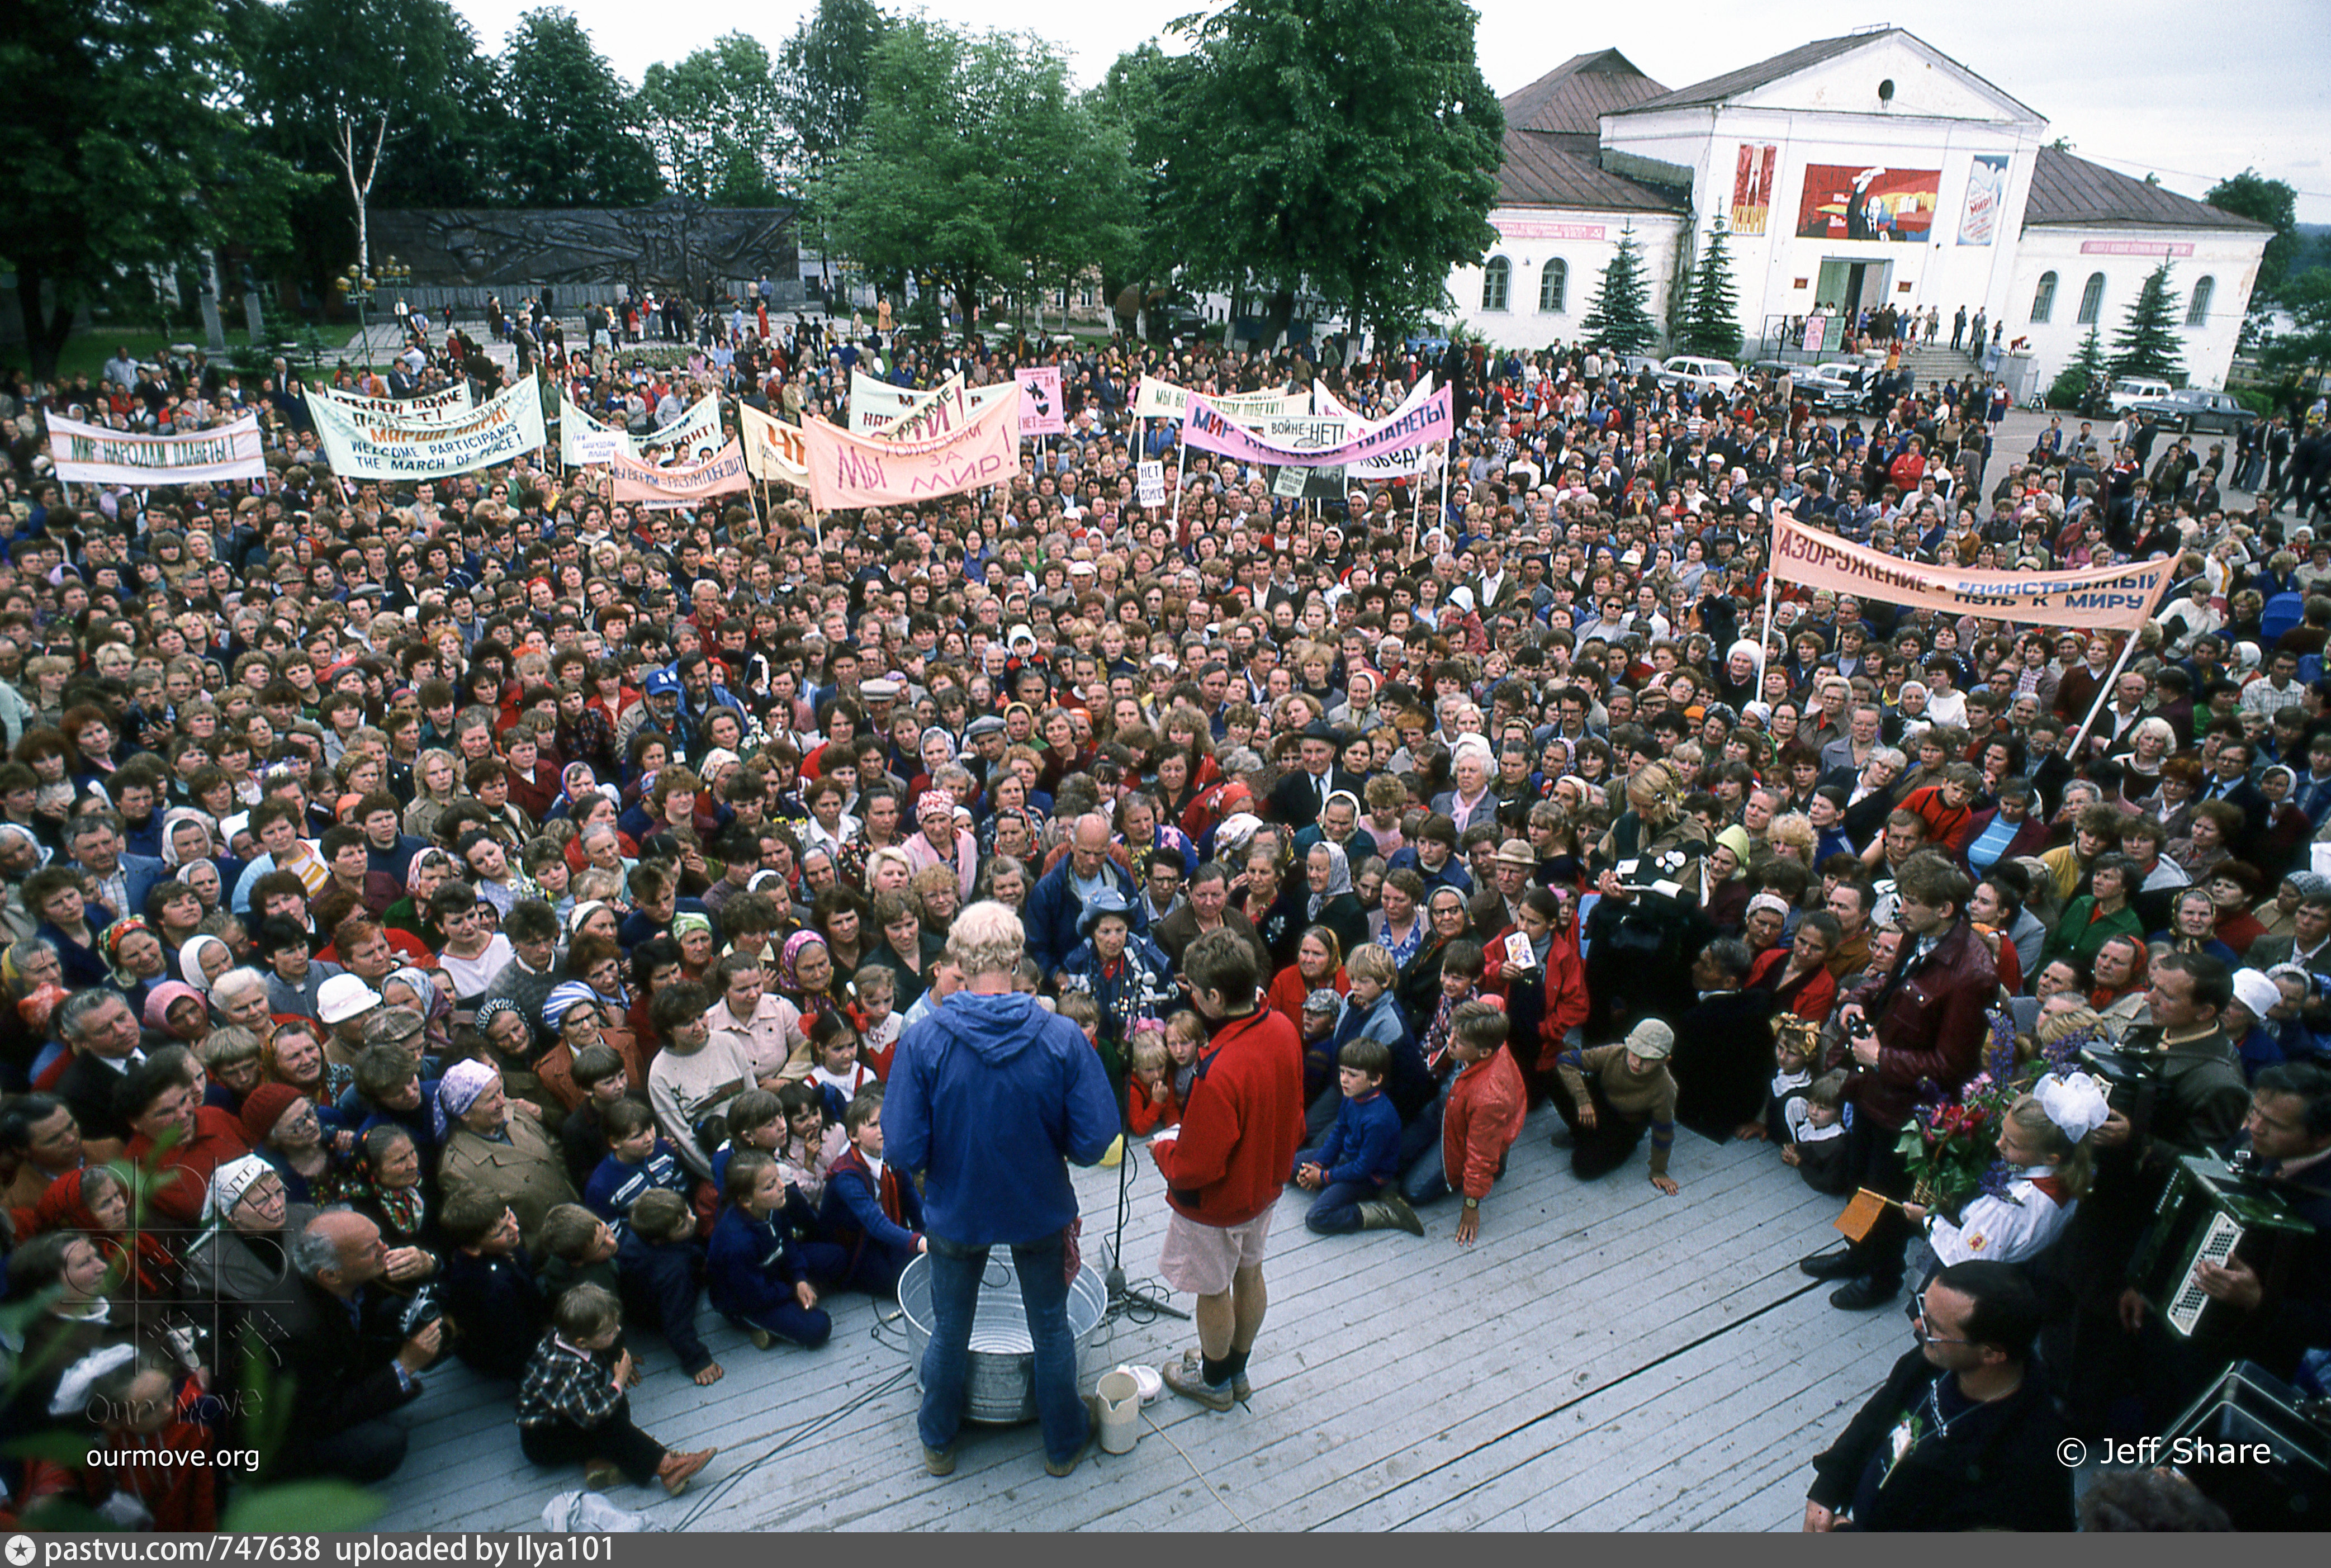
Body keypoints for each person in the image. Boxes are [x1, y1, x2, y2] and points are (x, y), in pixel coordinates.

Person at [882, 901, 1119, 1476]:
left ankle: (938, 1441)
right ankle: (1062, 1447)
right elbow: (1095, 1140)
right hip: (1038, 1205)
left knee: (949, 1327)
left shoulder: (923, 1040)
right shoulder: (1062, 1036)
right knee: (1050, 1325)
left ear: (958, 960)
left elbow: (903, 1150)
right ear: (1017, 959)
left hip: (956, 1209)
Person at [1802, 852, 1995, 1310]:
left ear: (1945, 908)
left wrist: (1881, 1056)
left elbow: (1952, 1064)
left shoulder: (1971, 974)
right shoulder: (1920, 936)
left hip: (1907, 1110)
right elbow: (1891, 986)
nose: (1900, 908)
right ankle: (1855, 1251)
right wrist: (1856, 998)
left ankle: (1882, 1275)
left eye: (1910, 900)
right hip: (1874, 1091)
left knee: (1887, 1197)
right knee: (1860, 1179)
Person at [1147, 926, 1305, 1412]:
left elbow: (1196, 1167)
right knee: (1250, 1272)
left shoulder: (1218, 1069)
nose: (1190, 996)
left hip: (1218, 1205)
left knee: (1212, 1289)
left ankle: (1214, 1381)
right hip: (1265, 1186)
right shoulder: (1280, 1026)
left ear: (1214, 996)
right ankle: (1237, 1367)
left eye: (1194, 990)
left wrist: (1162, 1151)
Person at [1804, 1261, 2073, 1532]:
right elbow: (1879, 1411)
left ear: (1991, 1354)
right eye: (1923, 1306)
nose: (1919, 1324)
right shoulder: (1937, 1359)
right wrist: (1830, 1483)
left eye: (1936, 1327)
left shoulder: (2031, 1462)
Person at [514, 1283, 714, 1495]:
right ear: (582, 1342)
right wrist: (619, 1379)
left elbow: (594, 1364)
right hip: (546, 1441)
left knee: (616, 1405)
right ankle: (667, 1467)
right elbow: (592, 1414)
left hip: (566, 1414)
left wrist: (611, 1364)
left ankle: (597, 1461)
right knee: (608, 1421)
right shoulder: (568, 1370)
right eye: (609, 1332)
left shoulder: (565, 1337)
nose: (617, 1331)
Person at [1552, 1019, 1682, 1195]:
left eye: (1648, 1059)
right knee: (1553, 1075)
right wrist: (1583, 1100)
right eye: (1634, 1053)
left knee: (1583, 1167)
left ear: (1665, 1060)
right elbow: (1566, 1061)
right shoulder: (1614, 1053)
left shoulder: (1665, 1088)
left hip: (1624, 1127)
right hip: (1598, 1102)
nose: (1637, 1063)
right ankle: (1584, 1133)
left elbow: (1663, 1131)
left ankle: (1587, 1137)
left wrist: (1659, 1170)